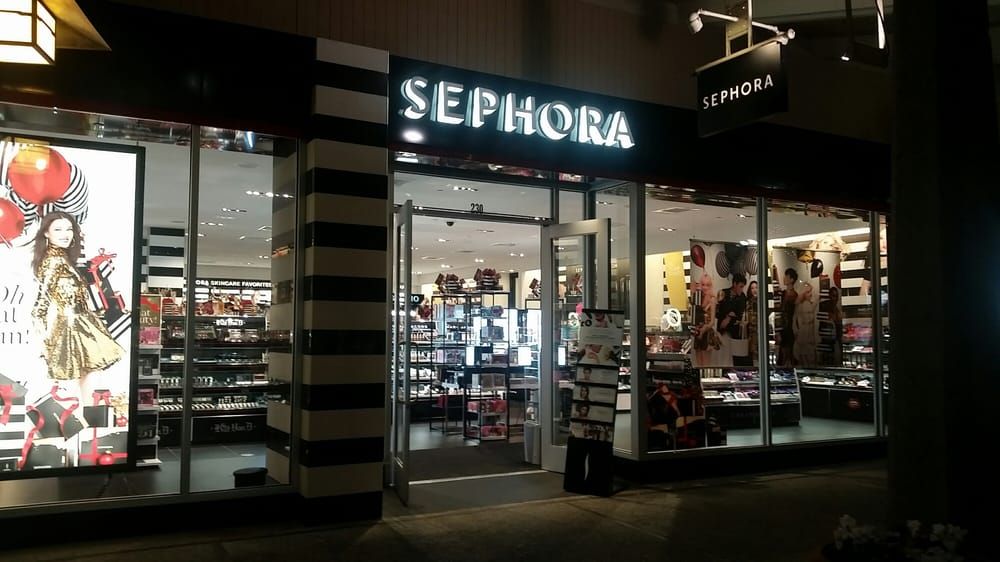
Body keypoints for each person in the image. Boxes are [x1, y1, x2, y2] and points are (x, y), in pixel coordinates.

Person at [716, 272, 749, 366]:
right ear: (734, 284)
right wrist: (728, 314)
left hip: (734, 331)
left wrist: (729, 317)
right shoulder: (723, 292)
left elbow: (739, 314)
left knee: (733, 357)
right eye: (740, 286)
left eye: (743, 287)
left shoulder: (742, 297)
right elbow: (718, 311)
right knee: (721, 356)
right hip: (721, 330)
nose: (741, 289)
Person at [690, 273, 720, 367]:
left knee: (706, 365)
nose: (705, 287)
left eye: (707, 285)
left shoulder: (712, 299)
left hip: (707, 333)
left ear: (710, 285)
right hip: (697, 332)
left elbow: (712, 322)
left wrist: (703, 329)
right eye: (703, 284)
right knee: (698, 364)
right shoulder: (698, 298)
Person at [776, 268, 799, 367]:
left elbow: (788, 313)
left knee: (786, 356)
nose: (784, 278)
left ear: (792, 279)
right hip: (784, 328)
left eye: (786, 276)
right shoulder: (784, 293)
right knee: (783, 356)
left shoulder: (793, 295)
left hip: (788, 328)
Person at [793, 283, 818, 367]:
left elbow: (816, 297)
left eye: (810, 292)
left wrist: (809, 286)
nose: (810, 294)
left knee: (811, 356)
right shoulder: (799, 305)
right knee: (803, 355)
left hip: (810, 333)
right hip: (803, 332)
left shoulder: (811, 304)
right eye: (807, 292)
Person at [745, 280, 759, 365]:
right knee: (752, 351)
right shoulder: (748, 302)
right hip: (751, 330)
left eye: (756, 287)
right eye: (752, 288)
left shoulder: (762, 302)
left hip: (760, 329)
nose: (754, 290)